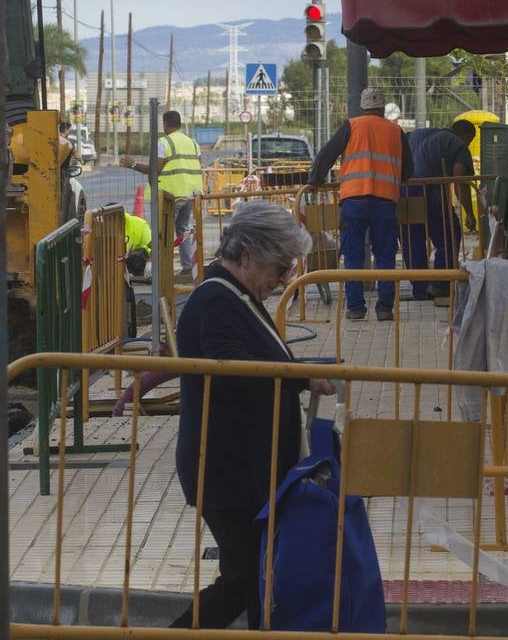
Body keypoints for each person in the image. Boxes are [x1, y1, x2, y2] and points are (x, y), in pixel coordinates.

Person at [171, 201, 335, 630]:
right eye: (279, 268)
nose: (283, 281)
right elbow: (234, 371)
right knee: (245, 579)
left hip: (242, 469)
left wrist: (302, 374)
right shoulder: (217, 300)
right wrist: (301, 378)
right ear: (246, 256)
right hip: (227, 471)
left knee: (256, 578)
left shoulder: (236, 294)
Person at [308, 87, 413, 321]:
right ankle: (385, 308)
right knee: (385, 255)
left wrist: (315, 180)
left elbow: (325, 155)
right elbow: (408, 170)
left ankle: (355, 308)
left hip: (353, 201)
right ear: (383, 108)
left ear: (362, 107)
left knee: (353, 254)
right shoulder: (396, 131)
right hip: (385, 201)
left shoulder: (351, 126)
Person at [119, 110, 203, 280]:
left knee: (161, 232)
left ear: (165, 124)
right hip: (190, 195)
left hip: (169, 196)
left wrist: (132, 164)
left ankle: (158, 271)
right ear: (179, 124)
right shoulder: (192, 143)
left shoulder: (163, 142)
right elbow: (196, 165)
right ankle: (187, 268)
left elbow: (155, 170)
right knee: (182, 229)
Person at [402, 119, 477, 301]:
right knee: (449, 234)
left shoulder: (417, 134)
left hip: (403, 190)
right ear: (466, 136)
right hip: (430, 190)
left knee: (413, 240)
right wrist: (469, 213)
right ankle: (441, 285)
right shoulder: (458, 144)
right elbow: (460, 182)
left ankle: (420, 291)